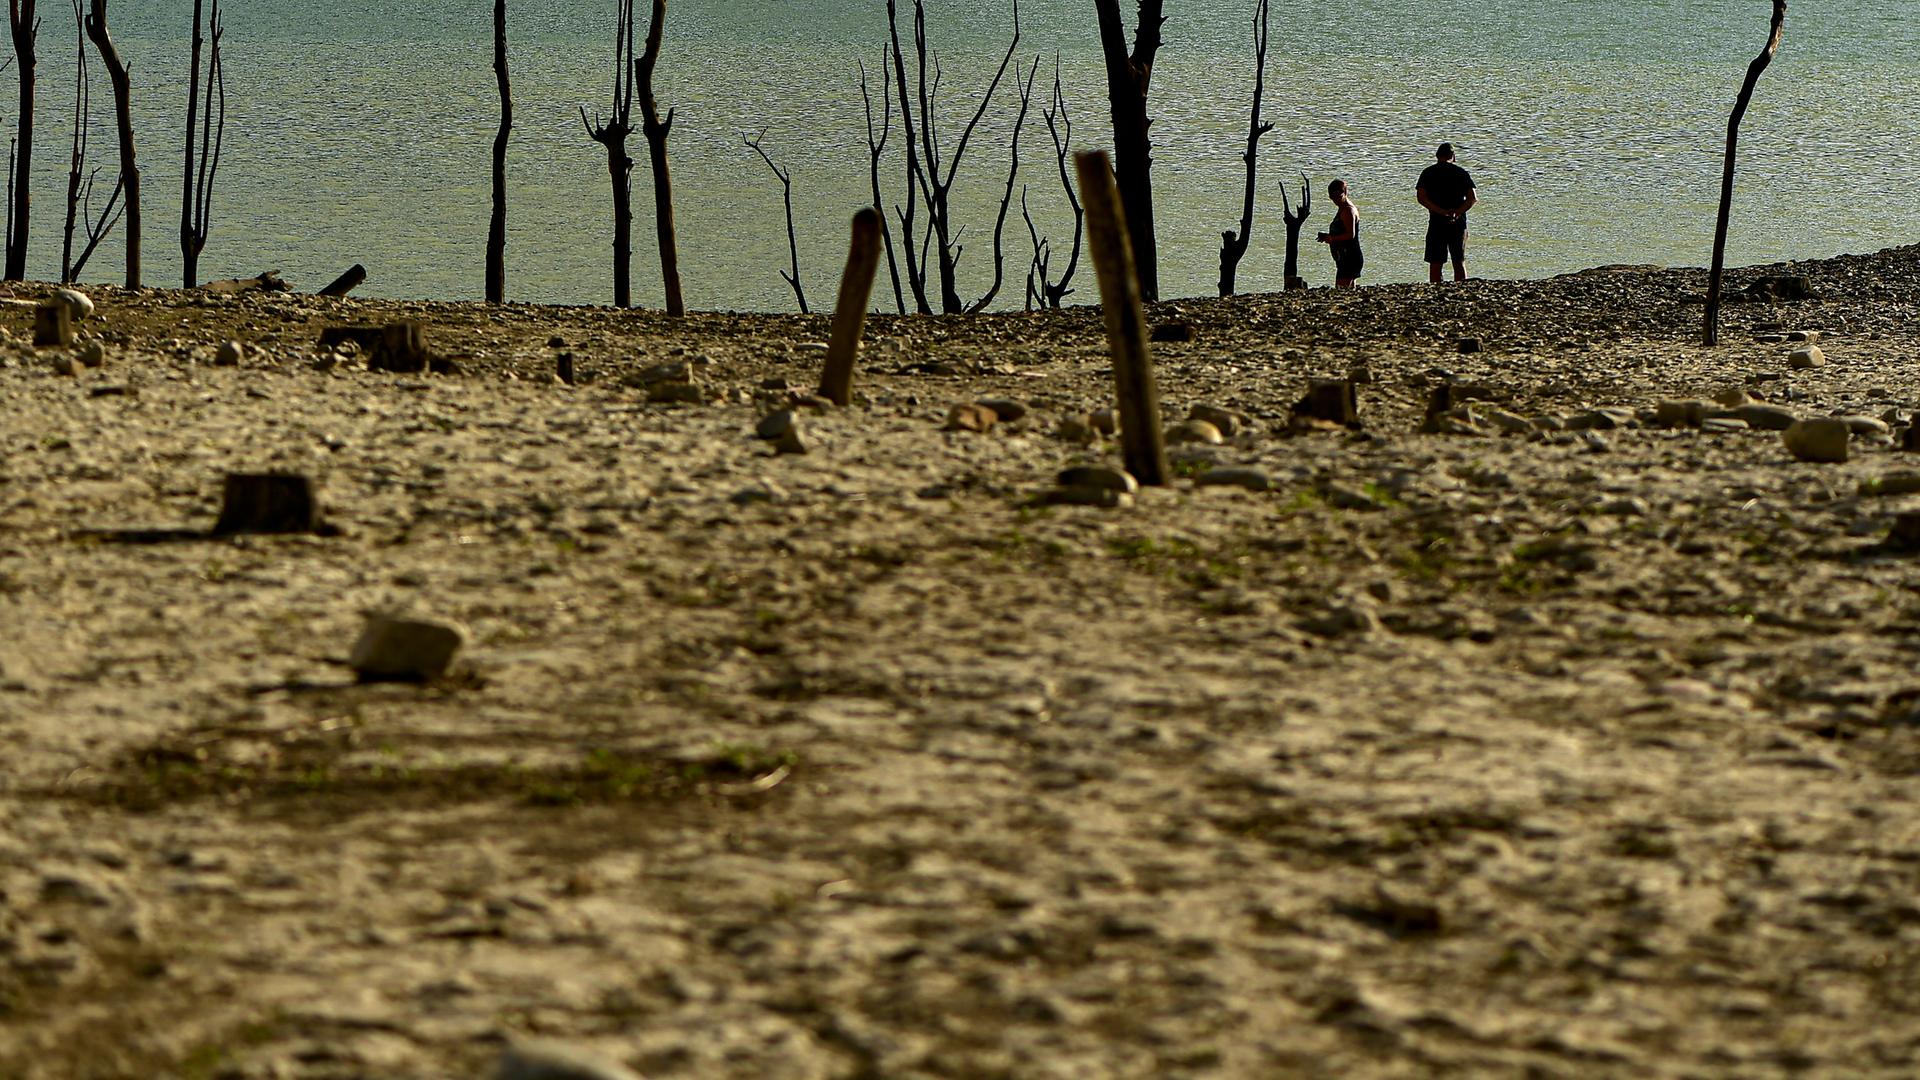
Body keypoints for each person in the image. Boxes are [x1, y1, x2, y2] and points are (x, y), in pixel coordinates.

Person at [1416, 142, 1476, 282]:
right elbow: (1472, 198)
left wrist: (1441, 212)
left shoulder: (1428, 173)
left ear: (1437, 156)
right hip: (1458, 222)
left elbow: (1421, 197)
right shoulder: (1461, 172)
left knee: (1435, 262)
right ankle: (1460, 288)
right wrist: (1457, 212)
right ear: (1453, 156)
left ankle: (1436, 289)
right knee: (1458, 261)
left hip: (1436, 221)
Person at [1314, 179, 1362, 289]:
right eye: (1332, 197)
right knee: (1348, 292)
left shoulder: (1348, 210)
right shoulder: (1342, 208)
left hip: (1349, 257)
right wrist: (1327, 237)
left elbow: (1350, 235)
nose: (1335, 200)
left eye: (1338, 196)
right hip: (1344, 257)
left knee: (1341, 291)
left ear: (1345, 193)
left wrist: (1331, 238)